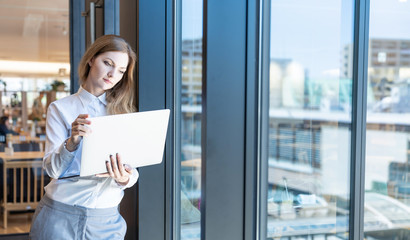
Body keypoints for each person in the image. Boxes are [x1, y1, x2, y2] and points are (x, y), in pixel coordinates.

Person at [29, 35, 139, 240]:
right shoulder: (60, 109)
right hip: (60, 215)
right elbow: (52, 170)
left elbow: (132, 170)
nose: (113, 74)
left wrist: (124, 177)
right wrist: (72, 142)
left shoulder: (124, 112)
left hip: (107, 220)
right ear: (91, 59)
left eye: (121, 71)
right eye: (108, 63)